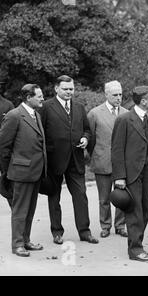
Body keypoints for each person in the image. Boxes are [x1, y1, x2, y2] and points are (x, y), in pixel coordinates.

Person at [39, 75, 98, 245]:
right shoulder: (46, 107)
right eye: (65, 89)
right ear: (56, 88)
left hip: (76, 159)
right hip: (54, 160)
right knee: (54, 197)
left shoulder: (79, 107)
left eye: (71, 89)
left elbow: (87, 130)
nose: (68, 92)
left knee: (81, 195)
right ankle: (57, 232)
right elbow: (40, 133)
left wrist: (85, 139)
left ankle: (85, 232)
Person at [111, 86, 148, 262]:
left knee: (145, 209)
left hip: (146, 171)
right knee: (135, 211)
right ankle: (135, 249)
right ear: (143, 101)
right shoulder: (124, 119)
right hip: (131, 174)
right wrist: (119, 177)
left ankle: (138, 244)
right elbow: (116, 150)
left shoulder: (147, 118)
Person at [0, 84, 46, 257]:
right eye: (39, 96)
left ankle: (25, 240)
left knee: (30, 210)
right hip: (20, 172)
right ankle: (17, 244)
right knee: (20, 211)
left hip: (35, 172)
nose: (42, 98)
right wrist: (8, 171)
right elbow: (3, 147)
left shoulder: (36, 115)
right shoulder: (14, 115)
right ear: (28, 97)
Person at [87, 81, 129, 238]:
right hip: (102, 160)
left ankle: (120, 225)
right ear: (106, 95)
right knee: (103, 198)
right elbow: (89, 138)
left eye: (120, 95)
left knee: (122, 196)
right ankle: (105, 225)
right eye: (115, 95)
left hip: (122, 164)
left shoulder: (126, 113)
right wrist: (97, 153)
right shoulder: (95, 113)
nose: (118, 98)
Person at [0, 81, 15, 207]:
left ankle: (14, 205)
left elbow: (14, 127)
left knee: (7, 177)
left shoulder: (7, 105)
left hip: (4, 150)